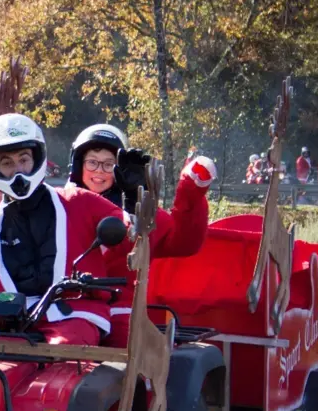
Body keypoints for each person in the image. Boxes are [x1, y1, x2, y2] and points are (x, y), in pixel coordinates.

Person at [0, 114, 175, 347]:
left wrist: (133, 198)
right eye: (7, 163)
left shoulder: (79, 202)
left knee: (63, 348)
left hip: (74, 320)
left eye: (23, 159)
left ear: (37, 159)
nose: (18, 169)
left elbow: (137, 240)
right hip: (7, 331)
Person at [65, 123, 214, 347]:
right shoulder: (57, 206)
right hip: (64, 307)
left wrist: (190, 193)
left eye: (108, 164)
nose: (99, 171)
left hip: (119, 312)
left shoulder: (142, 214)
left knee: (130, 354)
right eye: (92, 162)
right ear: (77, 165)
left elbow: (185, 243)